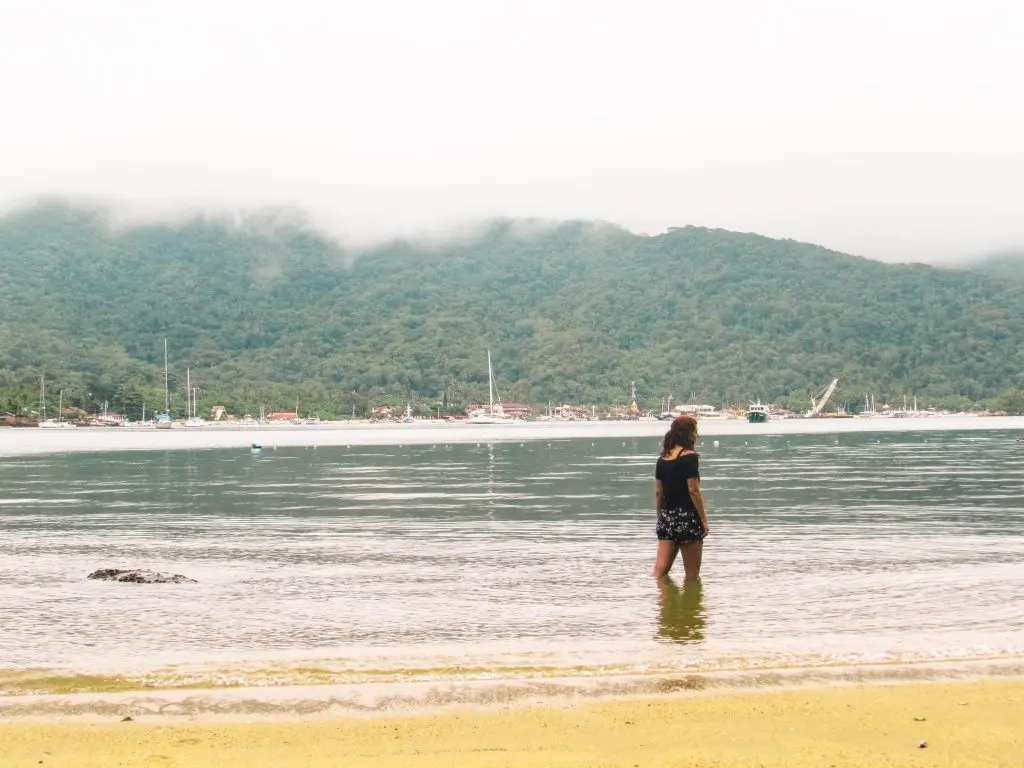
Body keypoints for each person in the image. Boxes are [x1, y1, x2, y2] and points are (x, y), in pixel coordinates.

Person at [652, 414, 708, 580]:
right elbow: (693, 490)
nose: (697, 435)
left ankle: (662, 603)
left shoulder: (662, 459)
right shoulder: (689, 456)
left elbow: (658, 493)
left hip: (667, 518)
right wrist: (703, 520)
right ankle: (690, 606)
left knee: (659, 573)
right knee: (692, 576)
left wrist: (661, 517)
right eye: (695, 430)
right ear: (689, 433)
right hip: (687, 519)